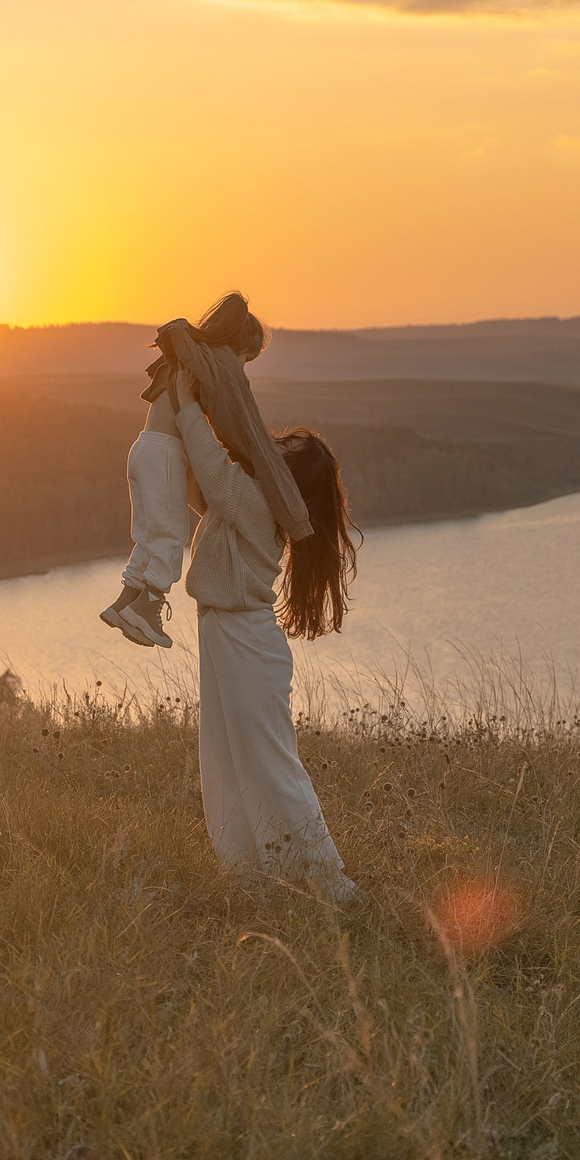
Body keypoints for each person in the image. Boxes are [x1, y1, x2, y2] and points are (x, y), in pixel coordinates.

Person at [167, 361, 362, 901]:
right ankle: (257, 877)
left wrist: (186, 403)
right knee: (228, 758)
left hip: (245, 641)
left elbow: (212, 469)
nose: (264, 459)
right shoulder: (250, 502)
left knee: (269, 763)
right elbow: (201, 487)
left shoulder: (255, 503)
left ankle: (330, 882)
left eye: (277, 459)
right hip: (228, 635)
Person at [99, 292, 278, 649]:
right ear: (237, 347)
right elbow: (225, 417)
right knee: (169, 536)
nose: (242, 367)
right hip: (165, 453)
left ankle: (124, 603)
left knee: (150, 533)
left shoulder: (183, 359)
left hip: (143, 448)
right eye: (246, 359)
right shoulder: (207, 363)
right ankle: (147, 610)